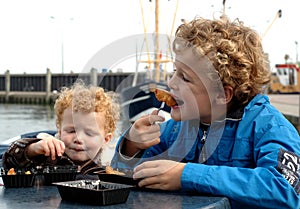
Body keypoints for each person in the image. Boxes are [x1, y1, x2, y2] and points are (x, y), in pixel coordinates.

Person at [111, 16, 300, 209]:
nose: (171, 83)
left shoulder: (269, 127)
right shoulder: (176, 129)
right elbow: (123, 178)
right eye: (175, 72)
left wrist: (186, 175)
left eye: (184, 78)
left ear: (222, 94)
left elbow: (286, 190)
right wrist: (131, 147)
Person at [3, 80, 120, 176]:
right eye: (71, 131)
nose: (78, 139)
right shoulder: (47, 157)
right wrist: (33, 149)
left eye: (89, 133)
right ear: (60, 131)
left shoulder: (106, 169)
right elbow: (9, 160)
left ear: (106, 139)